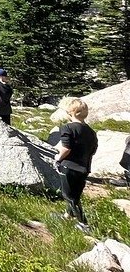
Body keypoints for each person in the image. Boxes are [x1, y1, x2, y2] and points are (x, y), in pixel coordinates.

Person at [54, 97, 98, 233]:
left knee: (69, 195)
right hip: (84, 168)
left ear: (70, 112)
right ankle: (67, 216)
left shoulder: (68, 128)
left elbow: (66, 148)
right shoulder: (91, 132)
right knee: (76, 194)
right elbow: (93, 150)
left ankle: (83, 222)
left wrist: (58, 158)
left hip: (69, 166)